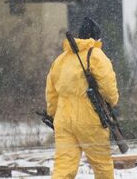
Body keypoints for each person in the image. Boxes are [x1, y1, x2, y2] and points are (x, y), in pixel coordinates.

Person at [46, 17, 119, 178]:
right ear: (96, 37)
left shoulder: (60, 60)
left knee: (63, 168)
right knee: (102, 166)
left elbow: (51, 93)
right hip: (90, 118)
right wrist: (113, 101)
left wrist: (53, 114)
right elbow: (108, 88)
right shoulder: (97, 56)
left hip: (63, 120)